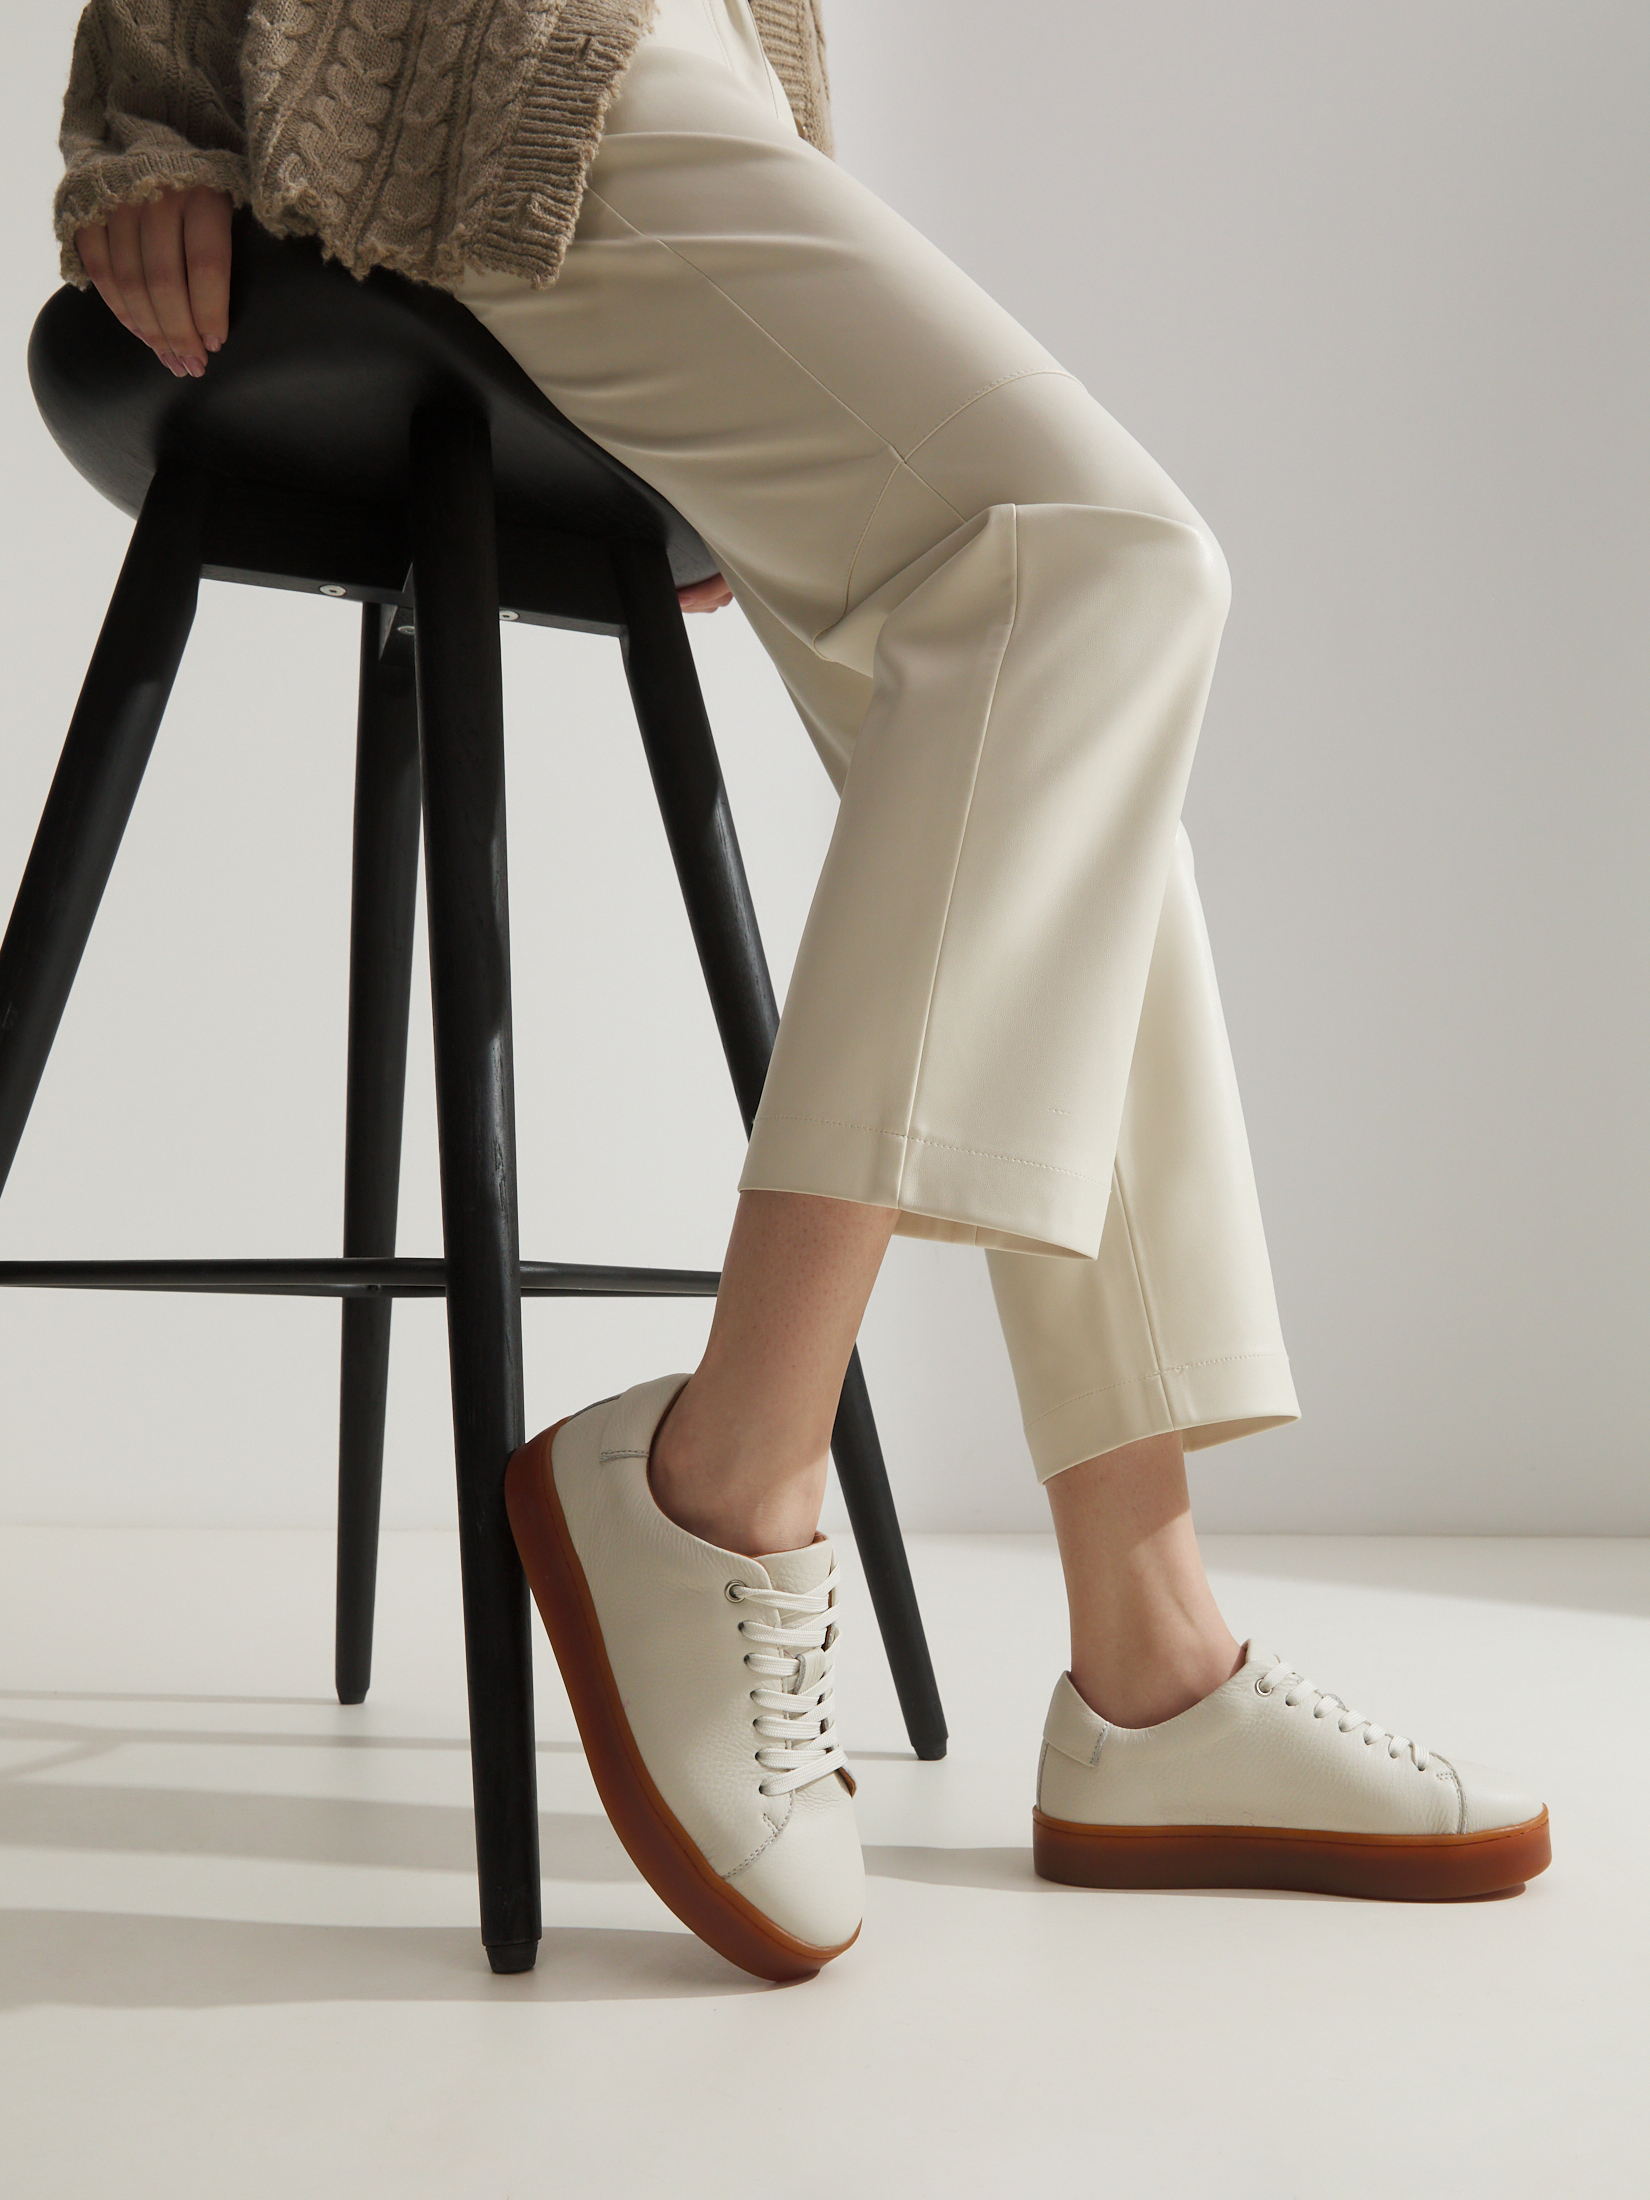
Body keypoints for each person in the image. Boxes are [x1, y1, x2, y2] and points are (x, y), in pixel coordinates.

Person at [54, 0, 1549, 1980]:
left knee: (1071, 747)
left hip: (698, 88)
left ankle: (1153, 1663)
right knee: (1103, 559)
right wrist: (144, 120)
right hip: (498, 64)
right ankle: (726, 1474)